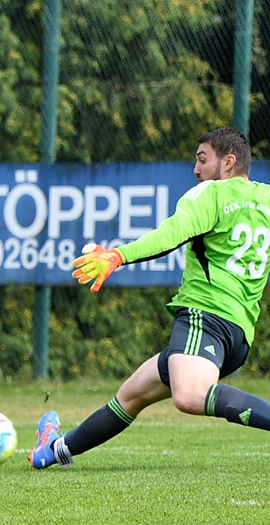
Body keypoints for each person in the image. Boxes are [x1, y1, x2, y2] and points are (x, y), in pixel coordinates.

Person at [31, 127, 270, 469]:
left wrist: (118, 255)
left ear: (228, 162)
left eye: (203, 160)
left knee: (188, 396)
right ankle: (53, 450)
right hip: (239, 336)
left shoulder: (211, 195)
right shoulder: (266, 199)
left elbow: (169, 235)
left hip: (206, 318)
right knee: (132, 395)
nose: (196, 170)